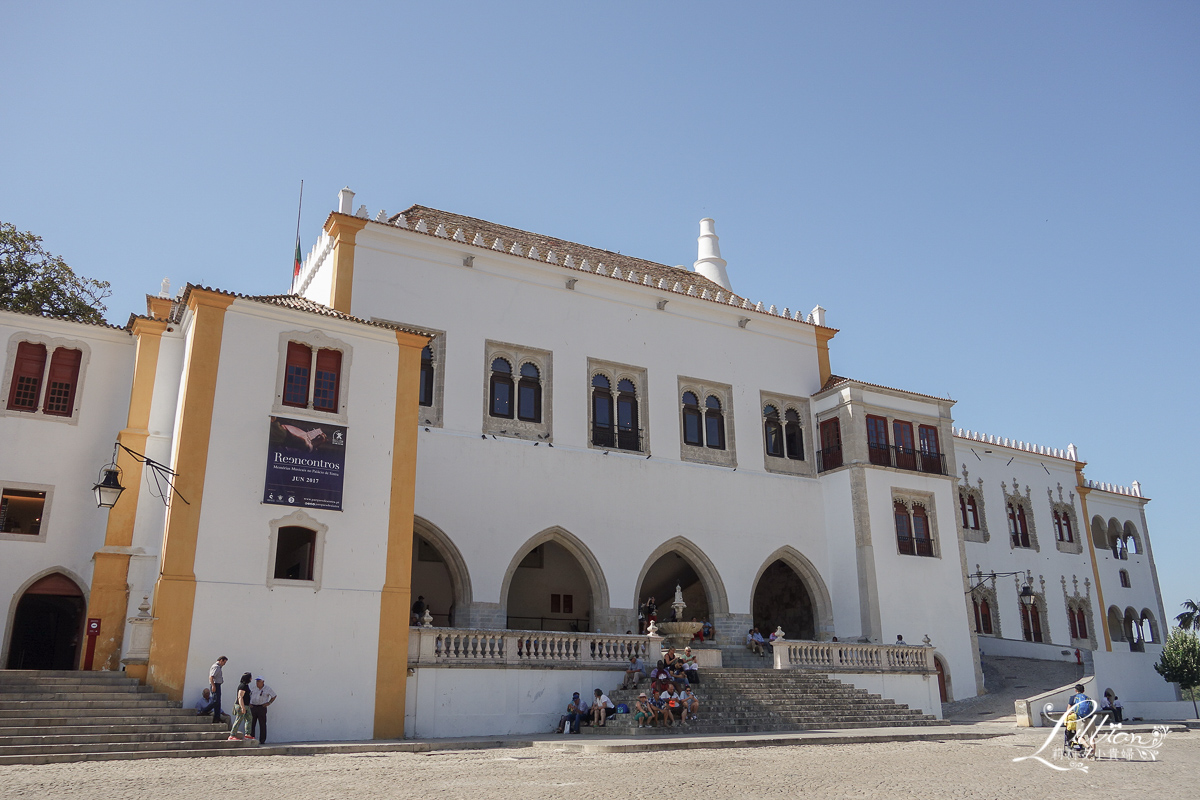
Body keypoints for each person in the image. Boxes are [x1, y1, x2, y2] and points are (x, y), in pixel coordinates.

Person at [249, 675, 277, 744]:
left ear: (263, 682)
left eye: (259, 681)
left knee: (262, 724)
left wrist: (269, 703)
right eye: (257, 681)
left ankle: (262, 740)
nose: (257, 683)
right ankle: (252, 738)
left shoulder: (267, 688)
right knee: (252, 723)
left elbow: (274, 695)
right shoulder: (253, 688)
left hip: (262, 707)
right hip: (253, 707)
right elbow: (249, 695)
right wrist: (249, 703)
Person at [228, 672, 254, 740]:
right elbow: (240, 697)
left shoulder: (246, 686)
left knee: (249, 718)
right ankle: (232, 735)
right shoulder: (242, 686)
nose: (251, 679)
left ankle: (247, 734)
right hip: (241, 706)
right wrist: (242, 707)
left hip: (246, 705)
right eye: (250, 677)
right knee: (239, 719)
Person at [208, 656, 228, 725]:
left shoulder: (219, 667)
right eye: (224, 662)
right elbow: (211, 677)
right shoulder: (216, 667)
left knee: (218, 702)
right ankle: (205, 710)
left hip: (217, 685)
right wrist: (213, 686)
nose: (224, 664)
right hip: (215, 684)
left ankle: (217, 718)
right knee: (215, 701)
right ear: (221, 660)